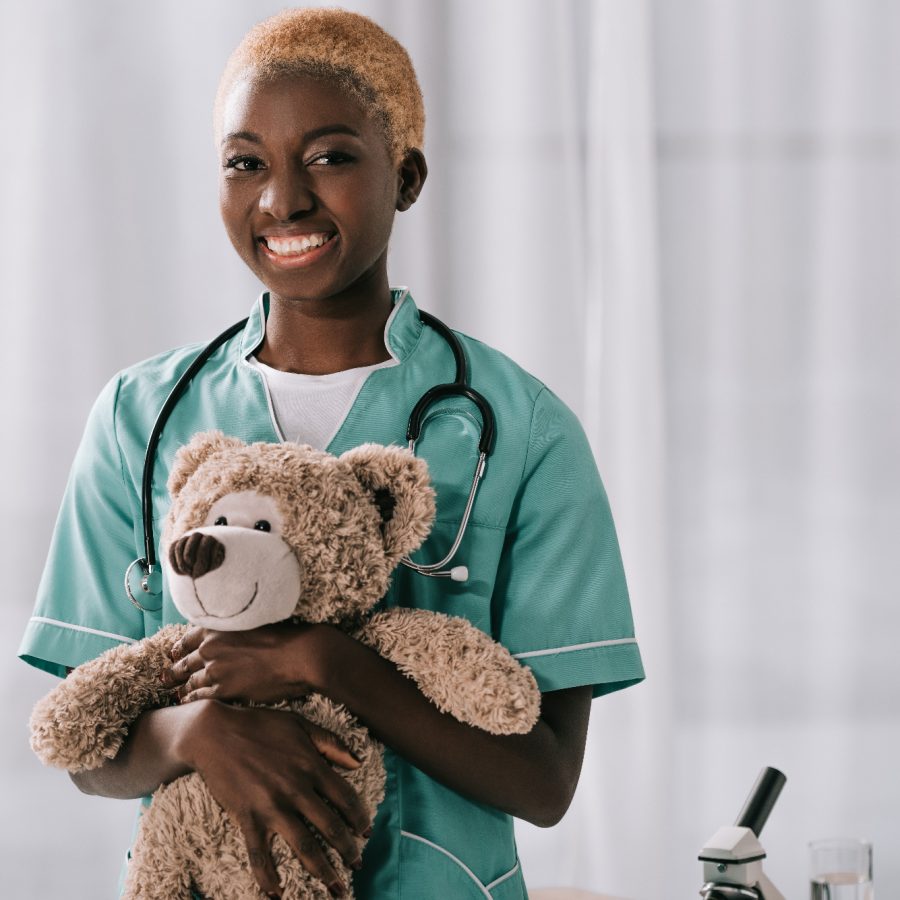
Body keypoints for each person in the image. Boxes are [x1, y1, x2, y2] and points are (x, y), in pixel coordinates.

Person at [19, 8, 644, 899]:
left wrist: (327, 662)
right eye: (246, 163)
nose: (283, 201)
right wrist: (195, 734)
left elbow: (543, 784)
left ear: (408, 174)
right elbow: (88, 750)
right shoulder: (140, 416)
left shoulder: (524, 428)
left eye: (330, 156)